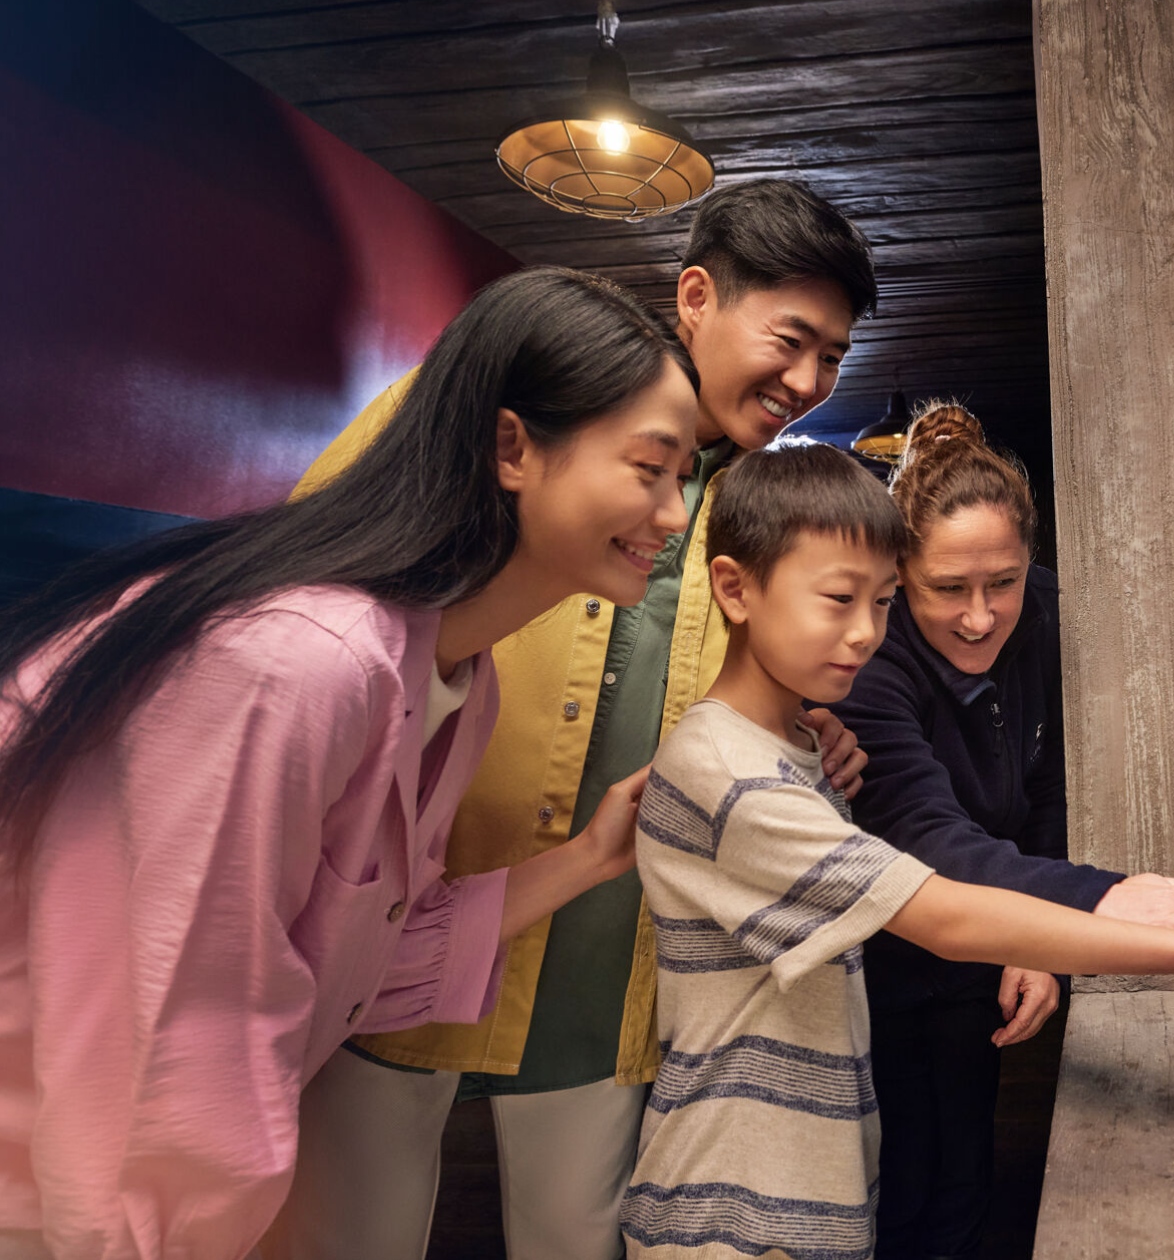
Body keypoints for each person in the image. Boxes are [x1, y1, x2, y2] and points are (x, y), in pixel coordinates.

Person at [0, 265, 700, 1260]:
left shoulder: (455, 678)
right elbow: (157, 1073)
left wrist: (592, 855)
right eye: (650, 468)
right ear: (512, 448)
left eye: (684, 479)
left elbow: (363, 956)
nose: (673, 514)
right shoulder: (296, 664)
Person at [270, 179, 881, 1260]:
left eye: (830, 357)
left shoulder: (756, 507)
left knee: (575, 1240)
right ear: (697, 298)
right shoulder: (504, 413)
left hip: (602, 947)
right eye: (790, 340)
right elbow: (322, 596)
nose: (806, 381)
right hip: (404, 916)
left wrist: (802, 733)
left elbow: (758, 679)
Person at [619, 441, 1174, 1260]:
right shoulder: (731, 770)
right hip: (731, 1210)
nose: (864, 634)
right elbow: (944, 912)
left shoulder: (802, 743)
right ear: (734, 589)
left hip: (810, 1189)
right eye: (838, 600)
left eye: (881, 603)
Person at [830, 401, 1174, 1258]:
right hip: (878, 953)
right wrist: (1097, 902)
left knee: (965, 1166)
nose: (980, 617)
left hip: (987, 943)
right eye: (948, 589)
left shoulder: (1050, 616)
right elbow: (928, 836)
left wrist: (1038, 943)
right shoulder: (867, 659)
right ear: (899, 576)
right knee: (889, 1182)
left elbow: (1052, 788)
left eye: (1004, 583)